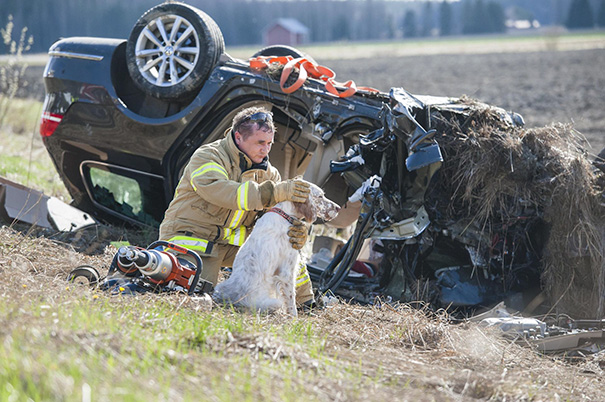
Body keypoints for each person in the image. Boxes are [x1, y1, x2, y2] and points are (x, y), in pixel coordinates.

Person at [158, 106, 315, 306]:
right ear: (238, 137)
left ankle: (306, 303)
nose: (266, 150)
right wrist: (272, 193)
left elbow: (274, 219)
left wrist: (294, 230)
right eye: (260, 143)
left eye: (269, 143)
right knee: (198, 298)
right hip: (192, 239)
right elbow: (223, 191)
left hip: (232, 246)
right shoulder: (207, 156)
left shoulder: (270, 174)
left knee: (284, 245)